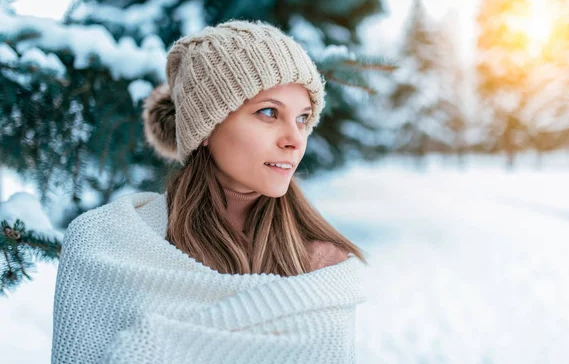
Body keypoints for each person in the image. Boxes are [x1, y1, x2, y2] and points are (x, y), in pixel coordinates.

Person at [51, 20, 368, 364]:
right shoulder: (109, 246)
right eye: (268, 112)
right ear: (205, 127)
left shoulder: (322, 266)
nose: (294, 139)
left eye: (303, 118)